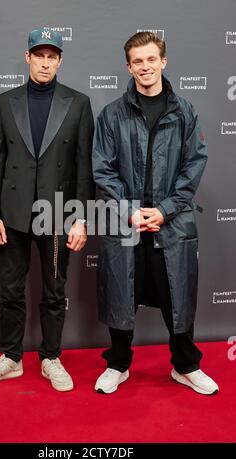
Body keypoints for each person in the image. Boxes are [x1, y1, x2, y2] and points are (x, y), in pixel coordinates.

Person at [92, 31, 218, 395]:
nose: (145, 67)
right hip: (126, 223)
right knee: (121, 294)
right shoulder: (112, 114)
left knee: (176, 296)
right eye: (137, 61)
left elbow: (194, 165)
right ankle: (118, 363)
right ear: (128, 67)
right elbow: (102, 169)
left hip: (172, 222)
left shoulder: (185, 111)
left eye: (151, 59)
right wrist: (131, 211)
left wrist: (163, 209)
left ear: (163, 62)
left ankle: (185, 365)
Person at [0, 28, 94, 391]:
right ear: (27, 58)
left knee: (55, 291)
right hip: (13, 214)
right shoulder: (5, 102)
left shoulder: (79, 102)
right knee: (11, 291)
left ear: (59, 60)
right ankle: (10, 358)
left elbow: (83, 168)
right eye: (38, 55)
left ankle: (51, 358)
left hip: (57, 214)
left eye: (51, 56)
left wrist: (81, 219)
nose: (45, 62)